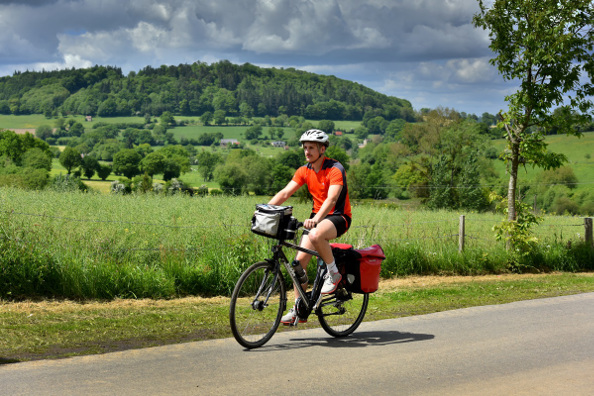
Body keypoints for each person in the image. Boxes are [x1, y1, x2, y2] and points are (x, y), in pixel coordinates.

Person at [267, 129, 352, 325]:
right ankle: (299, 308)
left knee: (315, 235)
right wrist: (265, 210)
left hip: (338, 217)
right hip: (317, 219)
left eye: (311, 147)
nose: (307, 151)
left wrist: (317, 219)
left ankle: (334, 274)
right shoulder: (304, 170)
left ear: (322, 149)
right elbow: (285, 193)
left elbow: (331, 200)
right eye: (305, 147)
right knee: (298, 266)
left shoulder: (335, 169)